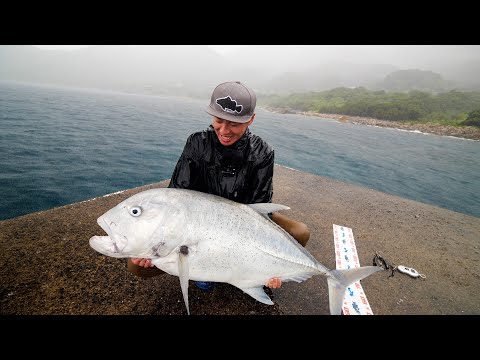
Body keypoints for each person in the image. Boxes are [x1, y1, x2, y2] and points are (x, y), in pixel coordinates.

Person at [128, 81, 310, 291]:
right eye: (218, 120)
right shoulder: (197, 143)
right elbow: (176, 200)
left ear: (251, 119)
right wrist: (154, 247)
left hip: (246, 220)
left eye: (234, 124)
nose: (224, 130)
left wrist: (267, 263)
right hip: (200, 224)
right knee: (137, 267)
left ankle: (249, 269)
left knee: (300, 232)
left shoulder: (262, 152)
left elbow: (261, 209)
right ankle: (209, 266)